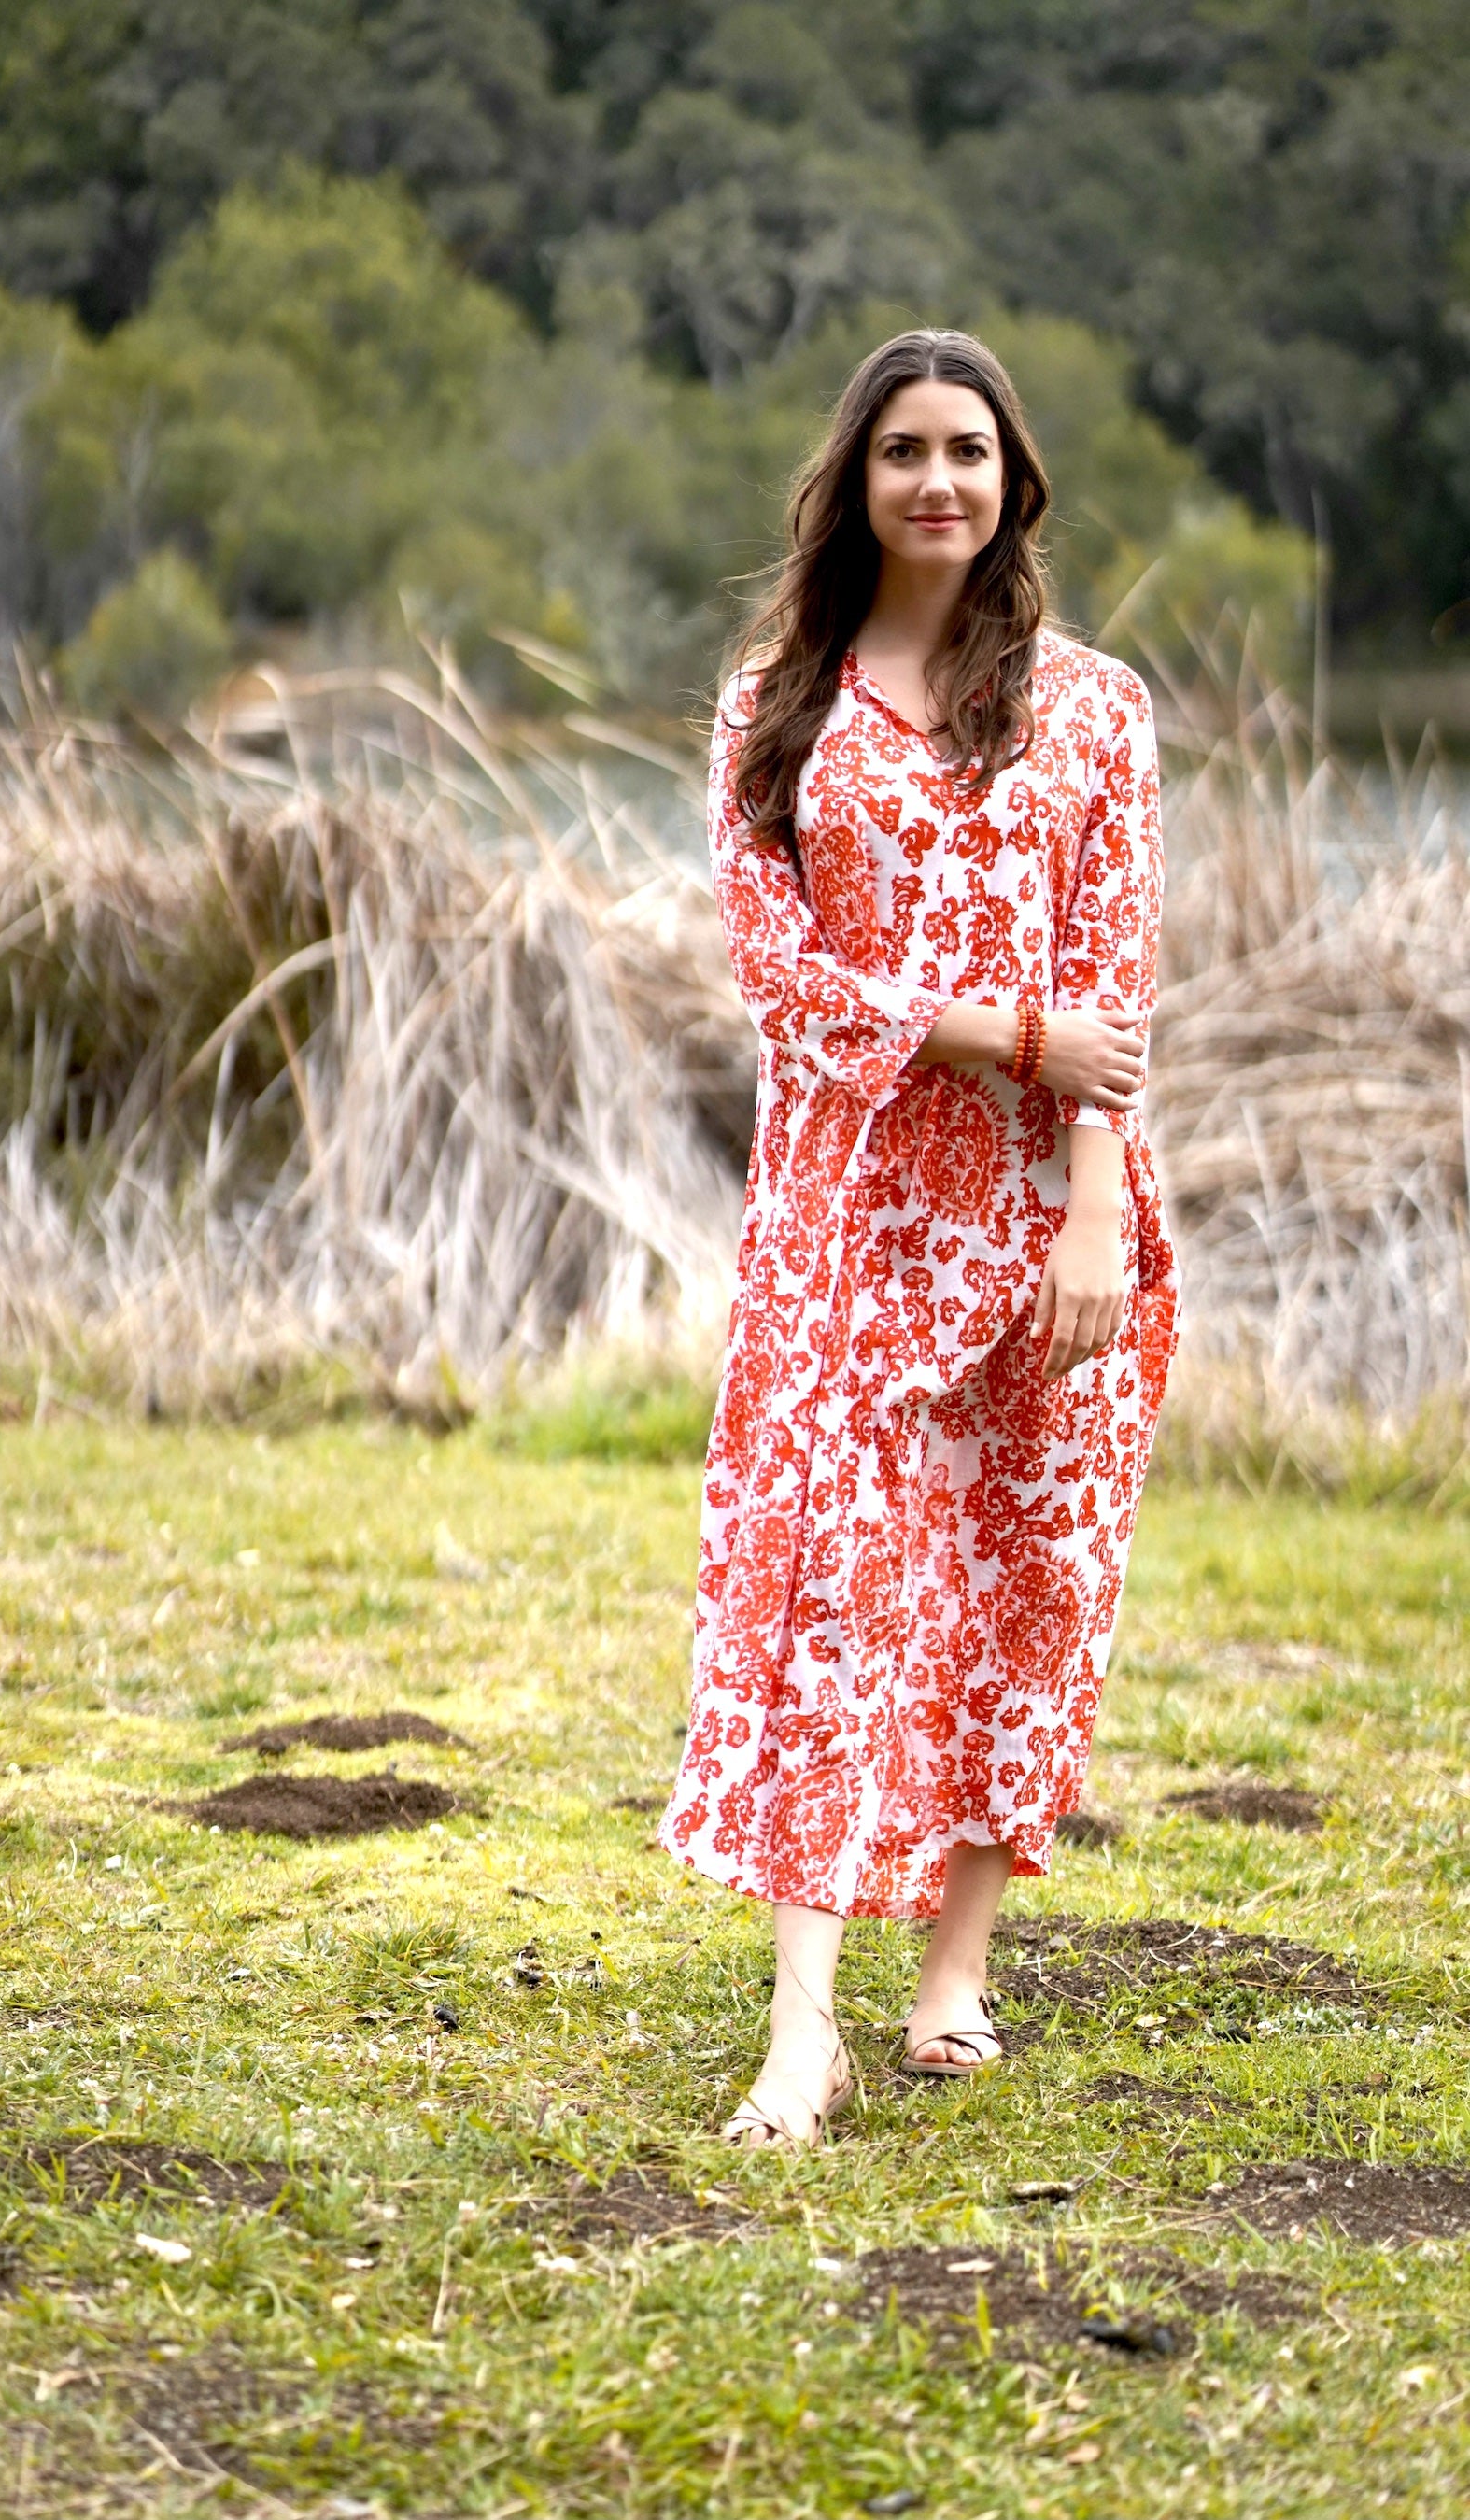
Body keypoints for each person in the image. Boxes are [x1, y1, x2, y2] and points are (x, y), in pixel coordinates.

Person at [657, 328, 1179, 2145]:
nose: (938, 479)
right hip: (854, 1210)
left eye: (969, 449)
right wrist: (1001, 1034)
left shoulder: (1097, 710)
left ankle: (956, 1958)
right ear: (856, 481)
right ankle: (804, 2021)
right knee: (837, 1588)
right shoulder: (771, 704)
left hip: (1054, 1208)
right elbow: (785, 978)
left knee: (1032, 1564)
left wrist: (1099, 1196)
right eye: (904, 451)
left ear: (1014, 478)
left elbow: (1113, 977)